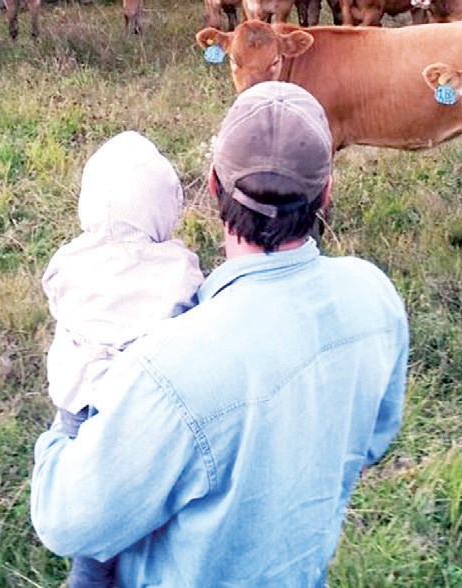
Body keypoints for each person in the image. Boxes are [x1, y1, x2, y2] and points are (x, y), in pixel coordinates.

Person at [31, 81, 409, 587]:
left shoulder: (167, 366)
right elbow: (372, 440)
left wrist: (65, 428)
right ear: (326, 192)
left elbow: (67, 521)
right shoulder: (375, 297)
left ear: (212, 185)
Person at [41, 130, 203, 586]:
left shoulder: (68, 259)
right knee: (135, 503)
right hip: (134, 414)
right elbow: (191, 308)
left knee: (91, 522)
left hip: (73, 407)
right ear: (164, 204)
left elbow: (55, 292)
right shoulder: (177, 267)